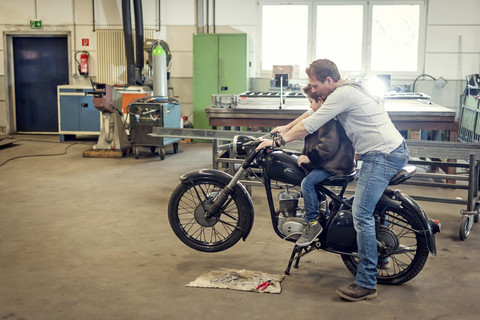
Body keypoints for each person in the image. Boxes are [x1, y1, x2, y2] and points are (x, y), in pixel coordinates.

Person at [256, 59, 409, 302]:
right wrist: (286, 127)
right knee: (370, 204)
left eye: (314, 85)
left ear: (329, 80)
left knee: (361, 213)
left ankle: (366, 283)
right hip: (388, 150)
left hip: (381, 155)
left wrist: (278, 142)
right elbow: (311, 112)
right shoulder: (347, 89)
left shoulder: (343, 94)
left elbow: (311, 123)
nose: (313, 90)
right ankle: (380, 256)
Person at [285, 84, 355, 247]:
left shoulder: (327, 118)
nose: (310, 106)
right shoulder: (328, 113)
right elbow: (308, 116)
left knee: (307, 183)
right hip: (339, 161)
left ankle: (312, 223)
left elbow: (327, 146)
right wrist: (287, 129)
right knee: (311, 181)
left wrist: (309, 158)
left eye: (311, 101)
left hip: (336, 164)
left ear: (321, 101)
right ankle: (323, 214)